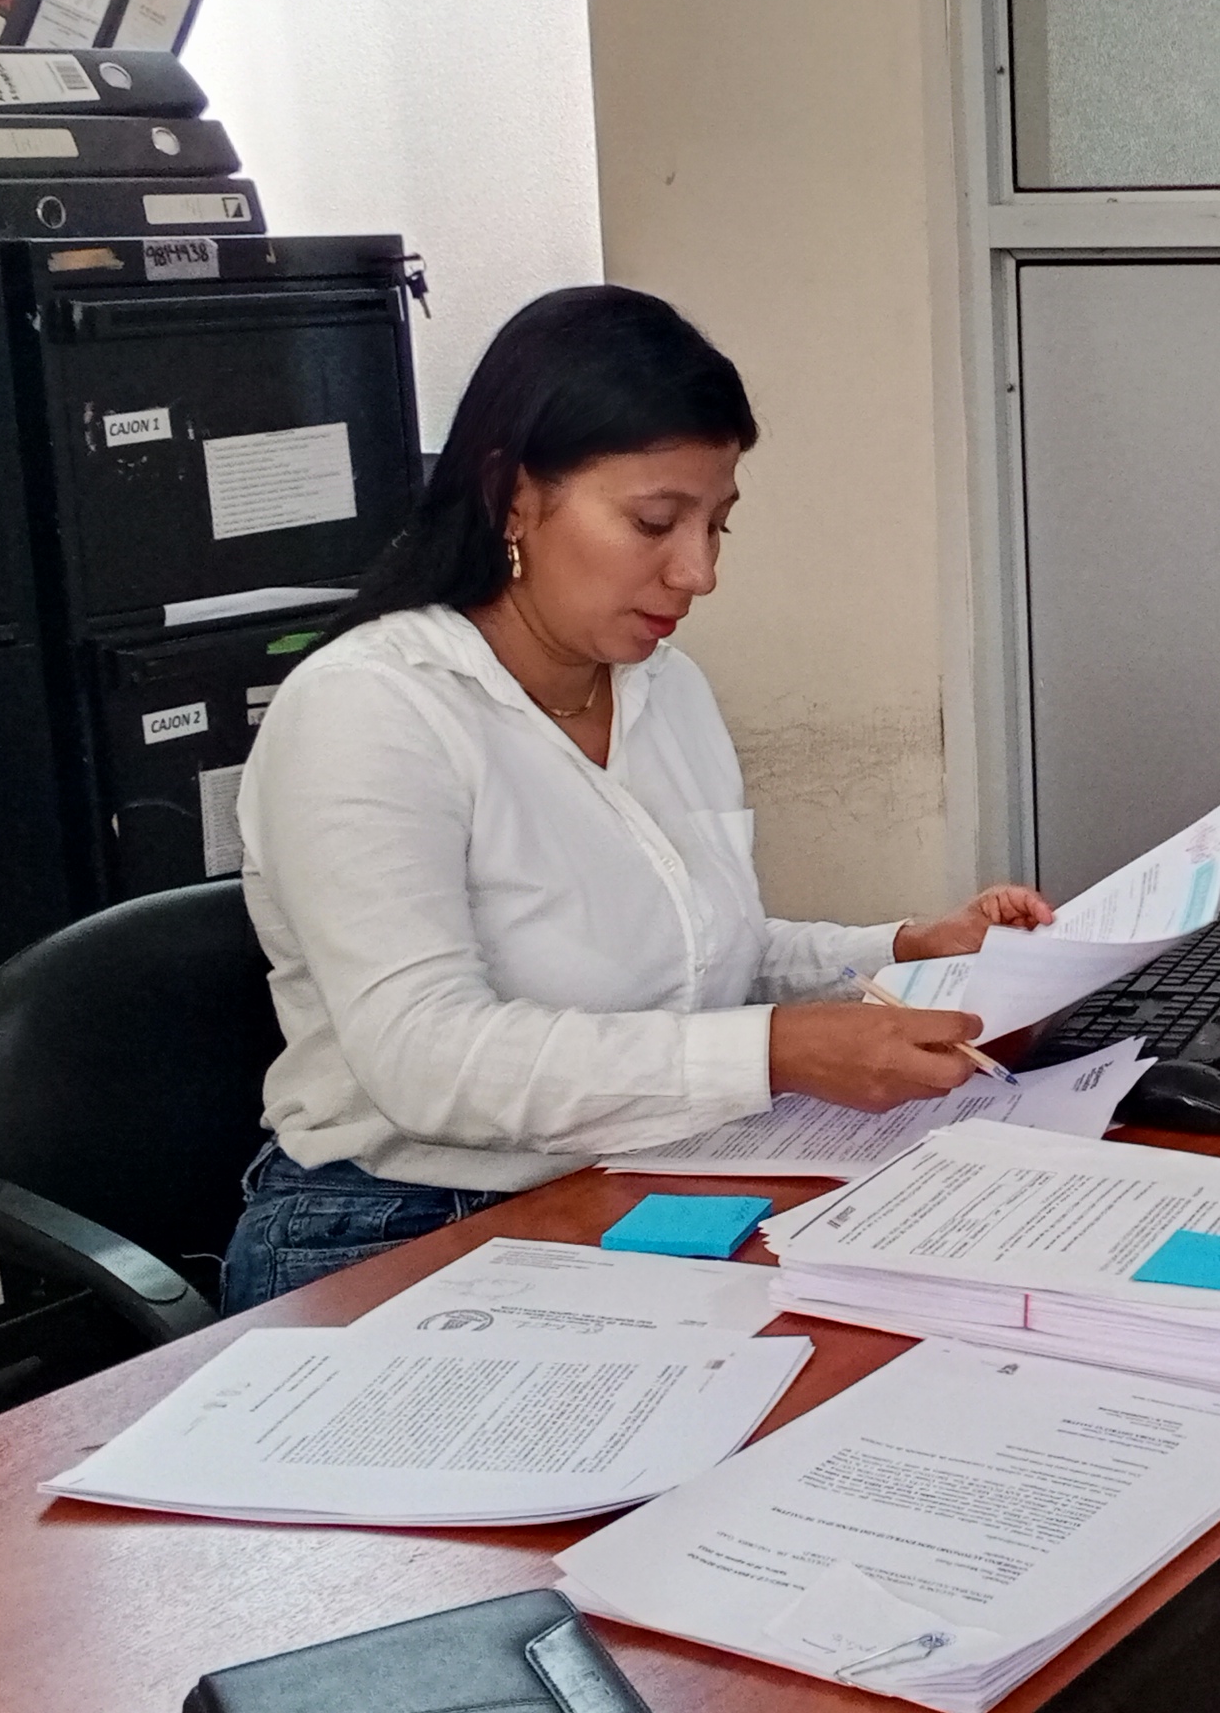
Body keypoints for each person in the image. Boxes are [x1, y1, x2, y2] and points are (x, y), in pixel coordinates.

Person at [219, 285, 1051, 1311]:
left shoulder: (664, 687)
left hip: (636, 1176)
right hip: (401, 1223)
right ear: (511, 496)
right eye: (655, 521)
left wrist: (904, 950)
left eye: (717, 526)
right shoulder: (370, 709)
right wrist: (776, 1051)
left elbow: (698, 951)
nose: (698, 572)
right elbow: (429, 1061)